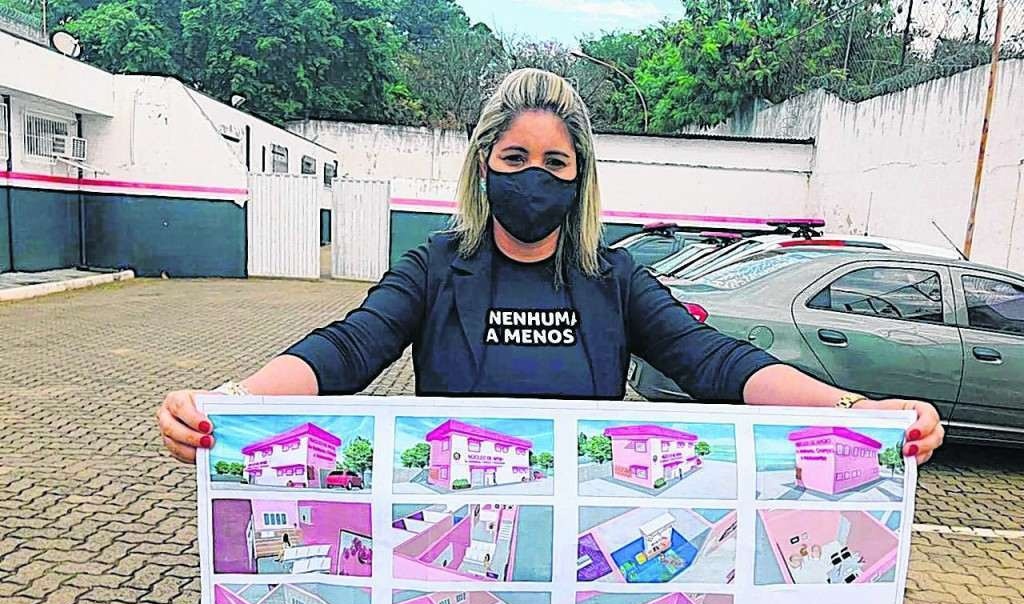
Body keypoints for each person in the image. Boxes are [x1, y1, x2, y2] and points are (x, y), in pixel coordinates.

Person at [157, 68, 943, 464]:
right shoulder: (435, 269)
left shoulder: (615, 280)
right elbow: (348, 348)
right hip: (449, 546)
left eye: (556, 163)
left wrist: (855, 410)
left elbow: (718, 362)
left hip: (580, 558)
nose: (535, 177)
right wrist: (229, 403)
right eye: (515, 158)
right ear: (484, 167)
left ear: (579, 179)